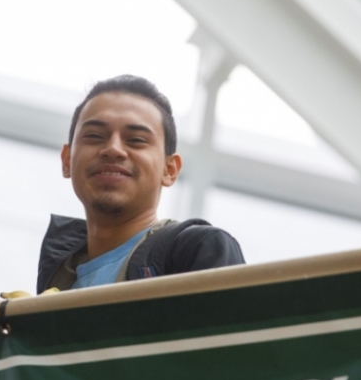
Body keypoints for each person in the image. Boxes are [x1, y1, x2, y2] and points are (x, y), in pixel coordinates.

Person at [37, 75, 243, 293]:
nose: (113, 149)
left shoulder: (199, 251)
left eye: (136, 140)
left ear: (169, 170)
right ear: (67, 160)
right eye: (95, 136)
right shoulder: (61, 276)